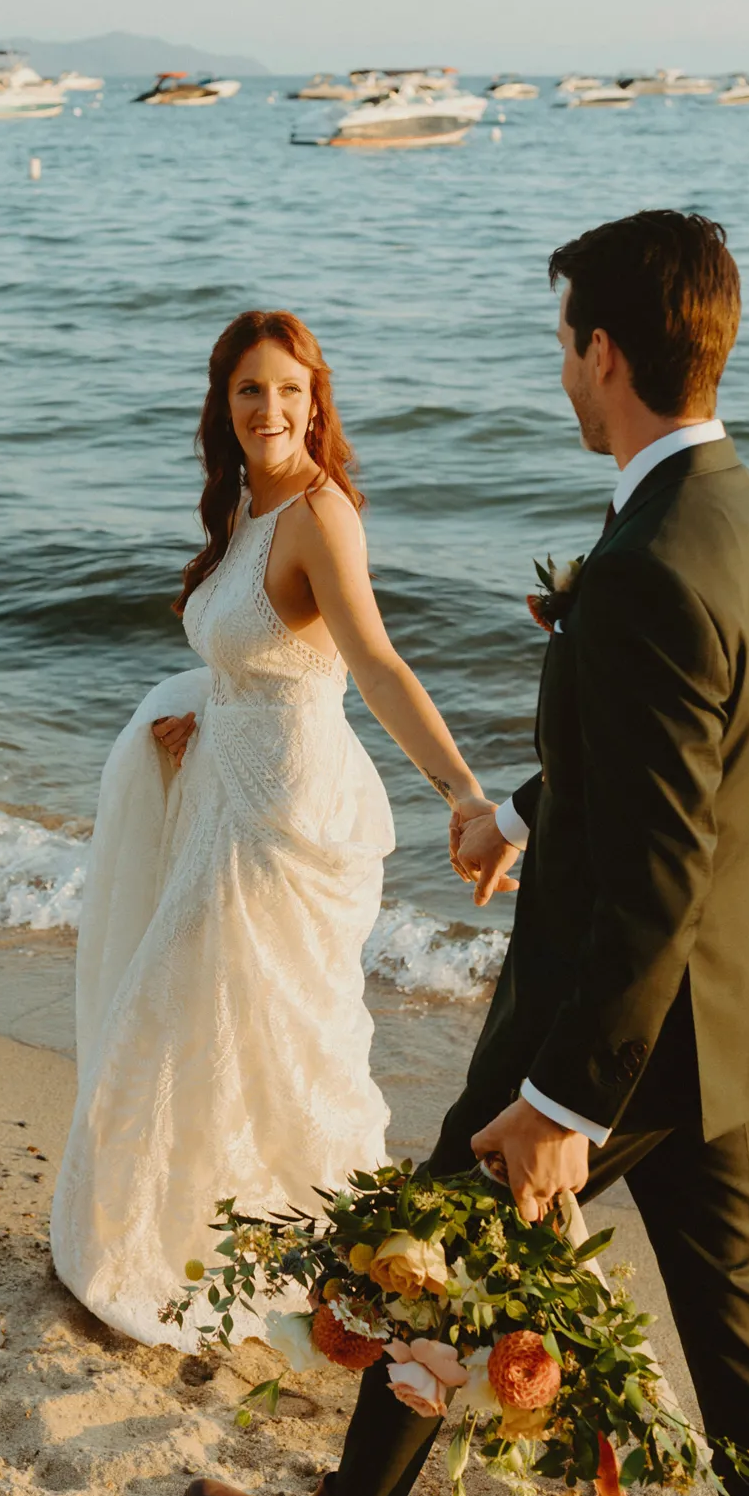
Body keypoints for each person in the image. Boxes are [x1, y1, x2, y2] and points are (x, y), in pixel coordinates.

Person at [182, 215, 749, 1496]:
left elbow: (665, 867)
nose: (562, 367)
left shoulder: (654, 564)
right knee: (740, 1333)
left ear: (603, 355)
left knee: (434, 1250)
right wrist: (531, 815)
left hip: (618, 1024)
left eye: (565, 343)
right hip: (733, 1016)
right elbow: (699, 777)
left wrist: (563, 1104)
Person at [51, 309, 491, 1346]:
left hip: (285, 810)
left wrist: (463, 794)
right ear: (226, 403)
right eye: (251, 390)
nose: (270, 409)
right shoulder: (247, 503)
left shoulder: (319, 515)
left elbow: (374, 665)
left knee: (254, 1027)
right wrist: (194, 718)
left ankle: (316, 1260)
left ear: (315, 400)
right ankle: (222, 1246)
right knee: (207, 1025)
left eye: (290, 390)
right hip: (223, 782)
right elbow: (247, 662)